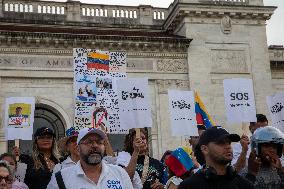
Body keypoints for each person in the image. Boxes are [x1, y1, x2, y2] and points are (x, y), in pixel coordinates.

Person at [47, 127, 133, 189]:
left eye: (99, 142)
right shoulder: (61, 177)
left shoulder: (120, 173)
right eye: (89, 142)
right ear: (78, 148)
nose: (95, 145)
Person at [178, 127, 254, 189]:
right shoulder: (189, 186)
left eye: (229, 142)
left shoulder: (245, 185)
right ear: (205, 149)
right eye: (221, 143)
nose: (228, 146)